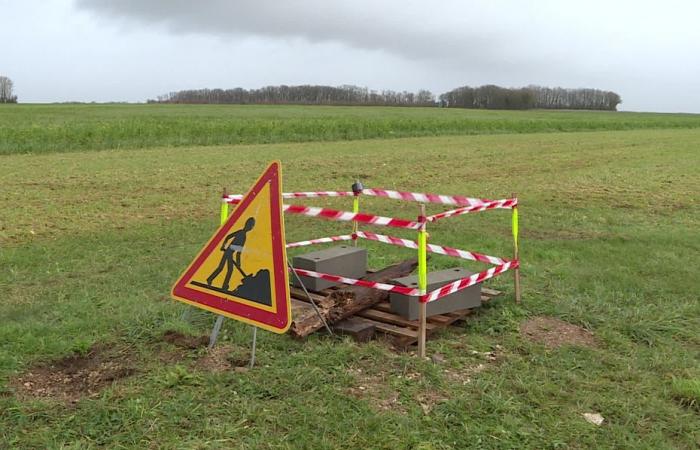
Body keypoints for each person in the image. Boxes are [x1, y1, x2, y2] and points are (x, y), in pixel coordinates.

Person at [207, 217, 255, 291]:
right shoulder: (241, 234)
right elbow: (229, 237)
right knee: (227, 269)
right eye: (251, 226)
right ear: (248, 225)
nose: (251, 228)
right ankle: (223, 285)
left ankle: (211, 279)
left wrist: (238, 262)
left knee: (222, 268)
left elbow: (238, 251)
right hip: (229, 252)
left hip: (230, 252)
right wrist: (223, 245)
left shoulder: (243, 235)